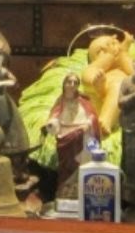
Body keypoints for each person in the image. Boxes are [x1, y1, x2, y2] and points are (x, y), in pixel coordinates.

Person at [43, 71, 101, 204]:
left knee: (82, 165)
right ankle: (65, 193)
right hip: (65, 138)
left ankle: (81, 194)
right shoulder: (60, 101)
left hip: (82, 137)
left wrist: (88, 123)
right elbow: (54, 116)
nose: (72, 85)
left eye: (75, 82)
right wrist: (52, 123)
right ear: (64, 84)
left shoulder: (83, 101)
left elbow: (92, 116)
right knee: (66, 167)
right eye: (69, 82)